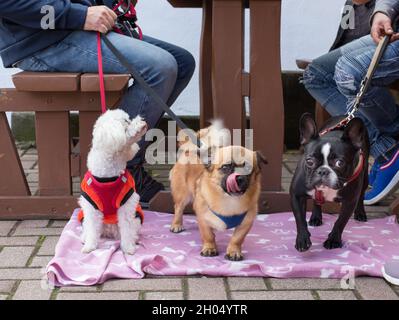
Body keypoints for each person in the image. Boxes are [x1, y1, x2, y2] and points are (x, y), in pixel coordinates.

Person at [0, 0, 196, 204]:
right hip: (40, 41)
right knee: (160, 67)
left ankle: (125, 158)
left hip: (73, 29)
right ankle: (118, 171)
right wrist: (80, 15)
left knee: (182, 62)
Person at [303, 0, 399, 205]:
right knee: (316, 75)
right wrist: (382, 11)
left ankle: (388, 152)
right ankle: (387, 148)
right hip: (392, 27)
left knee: (348, 73)